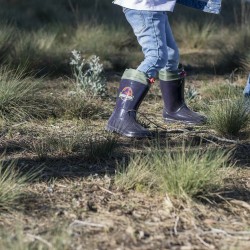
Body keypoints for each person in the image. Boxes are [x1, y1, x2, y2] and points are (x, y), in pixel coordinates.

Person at [106, 0, 221, 138]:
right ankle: (120, 117)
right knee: (156, 57)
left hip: (155, 7)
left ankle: (174, 109)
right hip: (145, 8)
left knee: (171, 56)